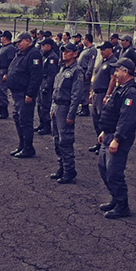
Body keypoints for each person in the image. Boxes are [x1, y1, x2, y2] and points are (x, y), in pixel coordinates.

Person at [96, 58, 136, 218]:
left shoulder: (131, 92)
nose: (114, 73)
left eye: (117, 70)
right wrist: (104, 131)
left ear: (126, 72)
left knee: (114, 172)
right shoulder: (120, 89)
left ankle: (122, 205)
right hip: (109, 134)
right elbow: (112, 112)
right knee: (103, 168)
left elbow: (126, 119)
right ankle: (115, 198)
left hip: (119, 138)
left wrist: (117, 138)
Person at [49, 41, 86, 183]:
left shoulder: (77, 71)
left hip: (65, 108)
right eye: (63, 51)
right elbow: (56, 90)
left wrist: (71, 114)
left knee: (65, 140)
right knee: (57, 139)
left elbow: (76, 95)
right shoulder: (62, 68)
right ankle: (62, 167)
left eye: (68, 51)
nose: (64, 53)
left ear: (75, 54)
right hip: (57, 106)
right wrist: (52, 107)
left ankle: (69, 170)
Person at [7, 31, 43, 158]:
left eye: (20, 42)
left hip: (24, 94)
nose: (18, 45)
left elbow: (36, 77)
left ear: (28, 40)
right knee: (18, 119)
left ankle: (28, 147)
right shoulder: (21, 53)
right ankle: (22, 145)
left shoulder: (34, 54)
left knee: (25, 121)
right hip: (17, 93)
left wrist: (30, 94)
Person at [89, 41, 118, 154]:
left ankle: (104, 144)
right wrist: (92, 92)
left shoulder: (113, 62)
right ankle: (98, 142)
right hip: (96, 93)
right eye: (100, 50)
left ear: (110, 49)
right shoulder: (102, 61)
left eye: (103, 49)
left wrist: (108, 95)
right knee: (95, 119)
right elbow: (96, 77)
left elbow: (112, 79)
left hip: (103, 94)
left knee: (103, 119)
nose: (101, 52)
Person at [0, 31, 15, 121]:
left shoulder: (10, 48)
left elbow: (11, 62)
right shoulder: (3, 47)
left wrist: (7, 74)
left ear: (5, 38)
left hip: (3, 70)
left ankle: (4, 111)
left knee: (2, 91)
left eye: (2, 37)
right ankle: (0, 109)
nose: (1, 38)